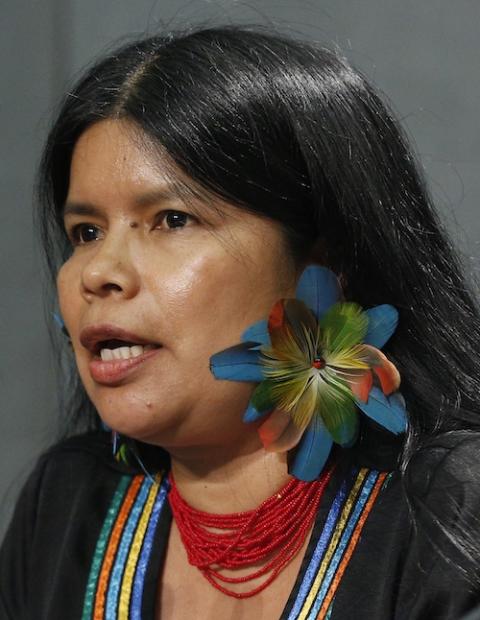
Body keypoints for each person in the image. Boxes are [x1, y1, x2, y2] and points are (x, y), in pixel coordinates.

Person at [1, 24, 480, 620]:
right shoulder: (71, 503)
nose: (98, 271)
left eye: (173, 219)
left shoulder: (447, 505)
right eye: (86, 232)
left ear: (326, 259)